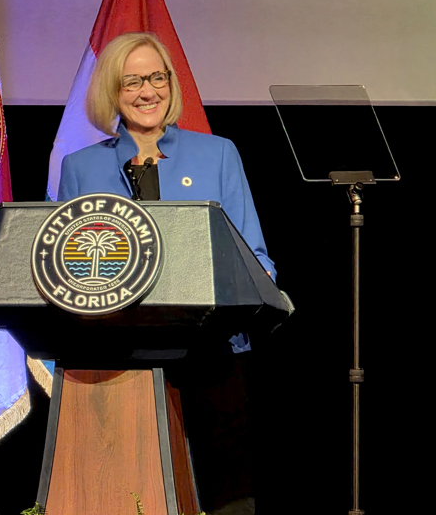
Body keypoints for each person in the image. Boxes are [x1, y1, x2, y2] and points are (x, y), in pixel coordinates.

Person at [57, 31, 273, 514]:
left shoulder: (218, 155)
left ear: (171, 84)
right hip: (112, 360)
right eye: (131, 81)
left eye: (156, 77)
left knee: (225, 502)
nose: (147, 91)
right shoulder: (80, 168)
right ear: (111, 92)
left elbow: (256, 259)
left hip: (210, 352)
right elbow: (64, 270)